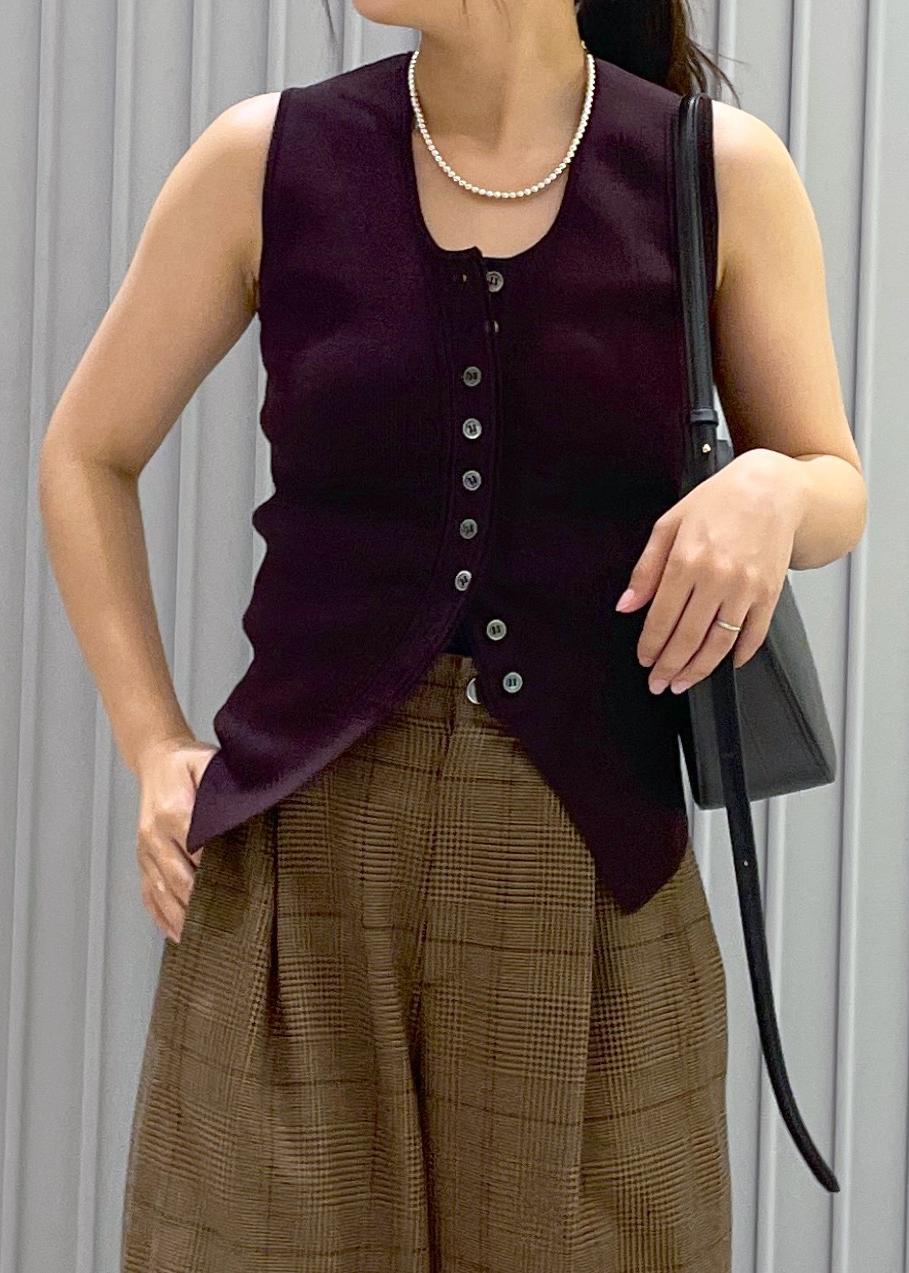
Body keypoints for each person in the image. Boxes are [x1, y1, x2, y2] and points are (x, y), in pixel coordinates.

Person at [39, 1, 867, 1269]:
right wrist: (153, 744)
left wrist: (774, 489)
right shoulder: (263, 160)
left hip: (592, 887)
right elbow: (85, 453)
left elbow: (833, 478)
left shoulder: (715, 171)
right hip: (295, 887)